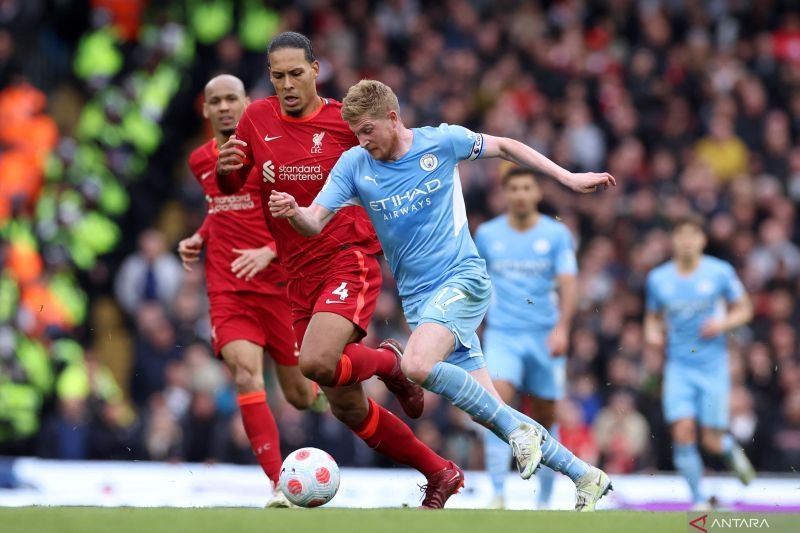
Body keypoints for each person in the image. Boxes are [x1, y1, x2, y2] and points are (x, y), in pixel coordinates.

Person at [271, 79, 614, 511]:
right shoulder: (354, 165)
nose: (362, 140)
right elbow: (314, 221)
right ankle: (585, 476)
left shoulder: (443, 141)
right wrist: (294, 213)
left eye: (367, 130)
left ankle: (519, 432)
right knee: (489, 411)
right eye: (356, 132)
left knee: (415, 364)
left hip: (462, 279)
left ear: (392, 119)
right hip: (421, 303)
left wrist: (567, 177)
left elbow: (507, 146)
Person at [215, 33, 462, 509]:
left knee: (315, 364)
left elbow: (397, 155)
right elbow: (235, 180)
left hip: (347, 257)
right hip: (296, 274)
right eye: (278, 75)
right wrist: (228, 167)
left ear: (315, 69)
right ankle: (440, 472)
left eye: (296, 73)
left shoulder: (344, 123)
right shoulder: (255, 118)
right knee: (347, 405)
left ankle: (391, 362)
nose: (287, 84)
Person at [178, 74, 326, 508]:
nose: (224, 107)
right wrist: (201, 236)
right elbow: (220, 208)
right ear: (205, 110)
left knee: (300, 396)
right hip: (228, 289)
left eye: (232, 99)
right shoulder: (200, 160)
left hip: (280, 289)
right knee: (245, 372)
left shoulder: (274, 155)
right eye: (215, 101)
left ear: (247, 104)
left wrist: (267, 251)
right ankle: (278, 483)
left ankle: (326, 390)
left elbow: (304, 218)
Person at [475, 167, 578, 509]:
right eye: (514, 188)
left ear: (537, 194)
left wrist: (563, 328)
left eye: (526, 188)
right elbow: (475, 282)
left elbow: (568, 284)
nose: (520, 194)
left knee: (546, 418)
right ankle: (498, 492)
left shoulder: (556, 235)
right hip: (503, 335)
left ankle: (545, 500)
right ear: (505, 194)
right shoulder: (488, 235)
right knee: (496, 406)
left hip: (545, 337)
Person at [644, 214, 756, 509]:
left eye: (693, 235)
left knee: (711, 440)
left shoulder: (720, 272)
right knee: (682, 431)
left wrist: (721, 324)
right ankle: (697, 500)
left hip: (712, 368)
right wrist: (654, 335)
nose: (687, 241)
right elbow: (652, 319)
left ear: (702, 241)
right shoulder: (659, 279)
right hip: (678, 368)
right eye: (681, 235)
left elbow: (745, 309)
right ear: (673, 241)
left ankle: (730, 449)